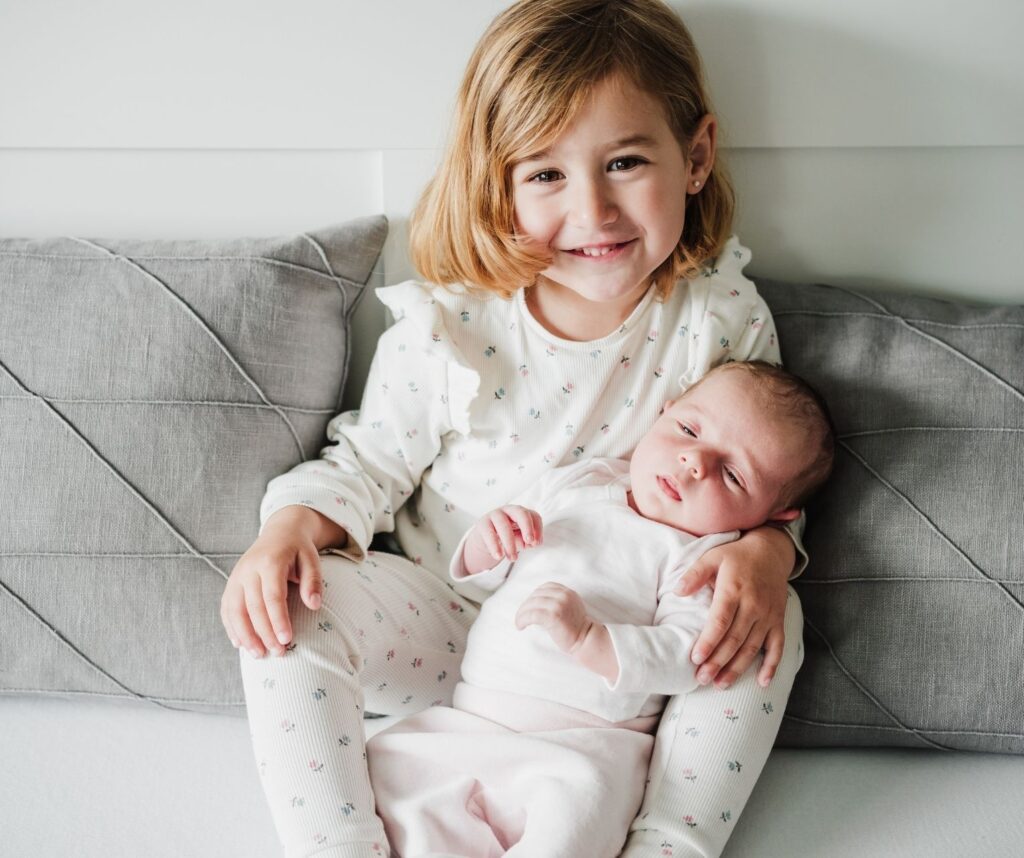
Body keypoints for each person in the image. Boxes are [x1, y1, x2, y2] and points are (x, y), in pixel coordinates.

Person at [221, 1, 810, 855]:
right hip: (448, 625)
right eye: (546, 175)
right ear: (498, 183)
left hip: (618, 652)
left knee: (767, 625)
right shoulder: (452, 325)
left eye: (625, 161)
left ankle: (671, 837)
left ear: (696, 156)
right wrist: (288, 528)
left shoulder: (715, 320)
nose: (594, 210)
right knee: (284, 607)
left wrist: (767, 553)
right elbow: (371, 462)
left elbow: (766, 476)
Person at [366, 360, 835, 858]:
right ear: (664, 412)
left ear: (777, 516)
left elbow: (686, 658)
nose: (694, 462)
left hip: (582, 751)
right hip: (470, 720)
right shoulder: (578, 483)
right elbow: (487, 576)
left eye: (734, 474)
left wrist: (589, 639)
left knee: (575, 823)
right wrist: (492, 537)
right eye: (689, 430)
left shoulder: (701, 561)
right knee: (391, 773)